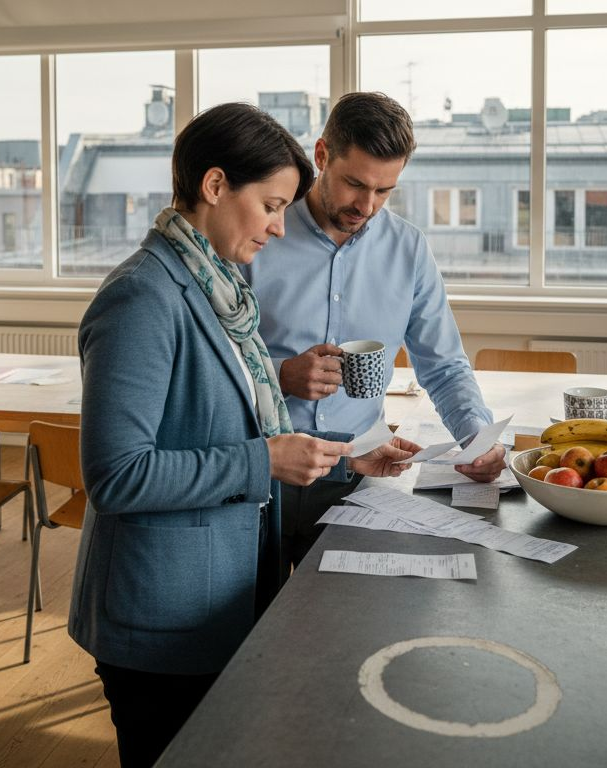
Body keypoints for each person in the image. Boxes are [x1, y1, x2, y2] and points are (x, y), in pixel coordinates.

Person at [69, 102, 419, 768]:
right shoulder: (142, 298)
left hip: (214, 603)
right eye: (271, 205)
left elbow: (236, 428)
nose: (282, 227)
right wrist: (263, 459)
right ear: (215, 186)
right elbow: (116, 476)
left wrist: (347, 463)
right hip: (161, 615)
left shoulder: (214, 289)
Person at [241, 92, 506, 567]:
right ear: (322, 156)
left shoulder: (408, 249)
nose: (366, 205)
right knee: (256, 623)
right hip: (264, 471)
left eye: (384, 191)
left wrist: (476, 437)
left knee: (347, 619)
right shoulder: (259, 233)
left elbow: (443, 364)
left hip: (359, 472)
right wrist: (280, 375)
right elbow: (210, 359)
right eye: (354, 184)